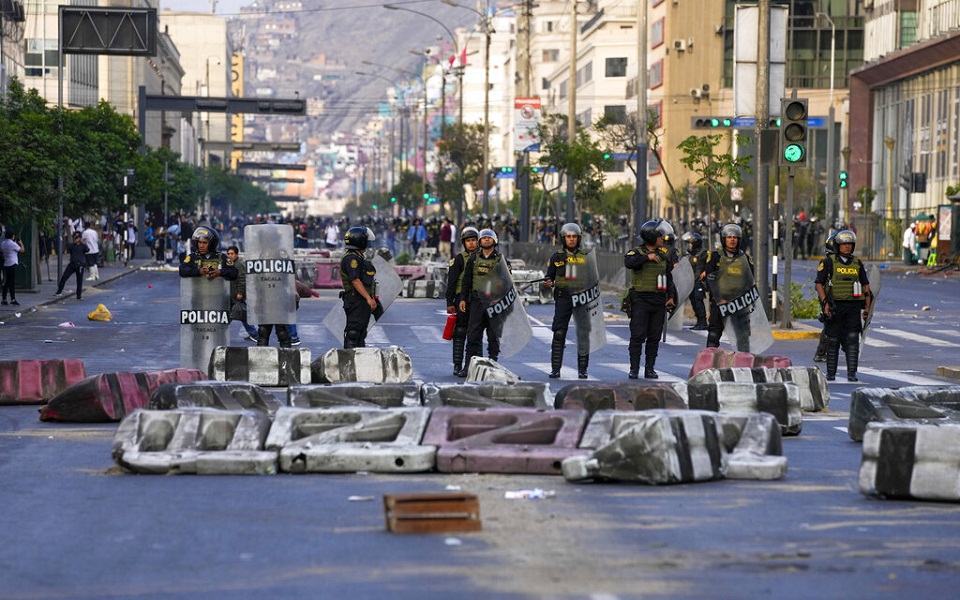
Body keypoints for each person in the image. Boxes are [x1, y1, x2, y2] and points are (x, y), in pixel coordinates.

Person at [815, 229, 871, 382]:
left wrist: (867, 308)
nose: (847, 247)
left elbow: (866, 286)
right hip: (834, 306)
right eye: (844, 244)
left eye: (849, 244)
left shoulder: (857, 263)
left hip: (853, 307)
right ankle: (831, 374)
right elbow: (819, 284)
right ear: (838, 245)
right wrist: (825, 303)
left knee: (852, 339)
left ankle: (852, 373)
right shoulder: (827, 262)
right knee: (833, 340)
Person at [623, 220, 676, 379]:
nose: (662, 239)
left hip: (659, 300)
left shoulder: (663, 256)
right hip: (640, 299)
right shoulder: (636, 252)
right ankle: (634, 369)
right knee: (637, 335)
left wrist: (671, 297)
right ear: (652, 237)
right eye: (660, 236)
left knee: (654, 337)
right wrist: (647, 257)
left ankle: (650, 368)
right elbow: (629, 263)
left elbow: (669, 278)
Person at [543, 222, 592, 379]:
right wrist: (548, 281)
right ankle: (555, 369)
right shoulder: (556, 257)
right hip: (563, 297)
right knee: (559, 333)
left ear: (578, 239)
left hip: (582, 299)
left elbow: (593, 279)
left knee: (583, 333)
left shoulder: (586, 257)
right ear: (564, 239)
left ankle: (582, 370)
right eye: (568, 237)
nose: (571, 240)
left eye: (574, 237)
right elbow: (549, 275)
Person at [703, 223, 755, 351]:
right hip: (720, 302)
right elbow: (710, 279)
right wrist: (720, 298)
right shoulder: (715, 257)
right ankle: (711, 364)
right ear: (723, 239)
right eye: (729, 237)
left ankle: (743, 364)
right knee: (714, 335)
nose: (732, 240)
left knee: (743, 337)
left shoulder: (744, 259)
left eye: (735, 237)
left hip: (739, 304)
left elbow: (750, 281)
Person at [459, 228, 506, 367]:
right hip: (477, 302)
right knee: (473, 335)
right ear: (480, 241)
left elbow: (507, 283)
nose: (486, 239)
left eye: (489, 237)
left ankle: (493, 366)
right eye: (483, 237)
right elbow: (466, 281)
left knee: (493, 337)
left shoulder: (501, 260)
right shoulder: (473, 259)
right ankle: (469, 367)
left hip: (494, 304)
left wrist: (499, 298)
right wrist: (463, 298)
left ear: (494, 240)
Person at [445, 226, 479, 376]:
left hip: (479, 299)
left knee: (476, 333)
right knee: (460, 332)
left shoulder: (483, 258)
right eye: (468, 241)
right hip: (461, 299)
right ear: (464, 243)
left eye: (473, 240)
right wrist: (450, 302)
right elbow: (451, 282)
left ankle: (476, 364)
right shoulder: (459, 259)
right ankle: (457, 365)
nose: (471, 243)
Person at [340, 226, 379, 349]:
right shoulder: (351, 259)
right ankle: (348, 361)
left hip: (360, 300)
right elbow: (355, 280)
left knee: (361, 333)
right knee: (353, 333)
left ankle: (358, 361)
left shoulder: (358, 257)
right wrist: (368, 298)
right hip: (355, 300)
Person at [226, 245, 260, 342]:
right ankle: (254, 334)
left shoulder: (239, 264)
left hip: (237, 293)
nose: (230, 255)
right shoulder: (231, 263)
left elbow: (242, 279)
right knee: (240, 314)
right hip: (232, 293)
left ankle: (255, 335)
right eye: (228, 254)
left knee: (239, 314)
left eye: (232, 254)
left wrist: (240, 292)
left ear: (237, 254)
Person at [681, 231, 709, 330]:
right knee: (693, 300)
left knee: (698, 300)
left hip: (699, 282)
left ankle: (703, 322)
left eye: (690, 243)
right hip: (691, 282)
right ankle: (699, 321)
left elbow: (711, 265)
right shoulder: (689, 255)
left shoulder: (703, 253)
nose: (689, 246)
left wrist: (705, 271)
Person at [54, 232, 86, 300]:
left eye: (79, 237)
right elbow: (69, 248)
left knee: (79, 281)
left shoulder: (83, 246)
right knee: (64, 277)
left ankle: (79, 295)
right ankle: (59, 291)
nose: (78, 239)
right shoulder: (72, 245)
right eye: (76, 237)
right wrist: (75, 243)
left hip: (80, 264)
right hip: (72, 264)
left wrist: (82, 243)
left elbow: (87, 249)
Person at [1, 231, 25, 306]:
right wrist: (20, 243)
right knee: (11, 282)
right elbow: (22, 250)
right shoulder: (13, 244)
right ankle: (12, 299)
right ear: (12, 236)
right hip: (12, 263)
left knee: (7, 281)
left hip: (6, 263)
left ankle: (4, 299)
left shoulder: (3, 243)